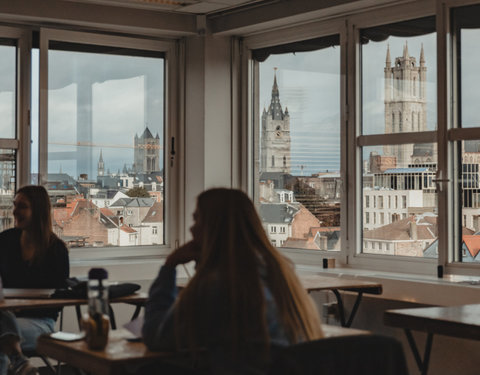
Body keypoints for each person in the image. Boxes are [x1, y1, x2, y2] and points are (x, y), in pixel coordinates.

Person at [142, 188, 323, 374]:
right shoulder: (281, 274)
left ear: (213, 229)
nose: (191, 228)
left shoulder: (217, 285)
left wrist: (169, 267)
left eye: (197, 220)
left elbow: (157, 337)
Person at [0, 185, 69, 375]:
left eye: (22, 206)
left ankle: (16, 359)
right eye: (14, 205)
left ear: (37, 210)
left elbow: (58, 301)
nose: (15, 211)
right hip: (6, 315)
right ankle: (19, 361)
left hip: (40, 321)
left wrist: (22, 307)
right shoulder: (5, 241)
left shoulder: (56, 251)